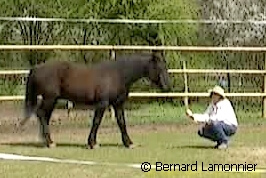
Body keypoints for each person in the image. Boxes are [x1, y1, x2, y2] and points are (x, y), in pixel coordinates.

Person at [186, 85, 238, 149]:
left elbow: (217, 118)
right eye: (213, 94)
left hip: (231, 126)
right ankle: (220, 141)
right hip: (218, 124)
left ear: (219, 96)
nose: (213, 96)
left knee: (214, 124)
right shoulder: (212, 104)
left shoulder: (225, 103)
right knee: (202, 131)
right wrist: (193, 116)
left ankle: (224, 141)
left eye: (215, 94)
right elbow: (206, 115)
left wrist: (207, 122)